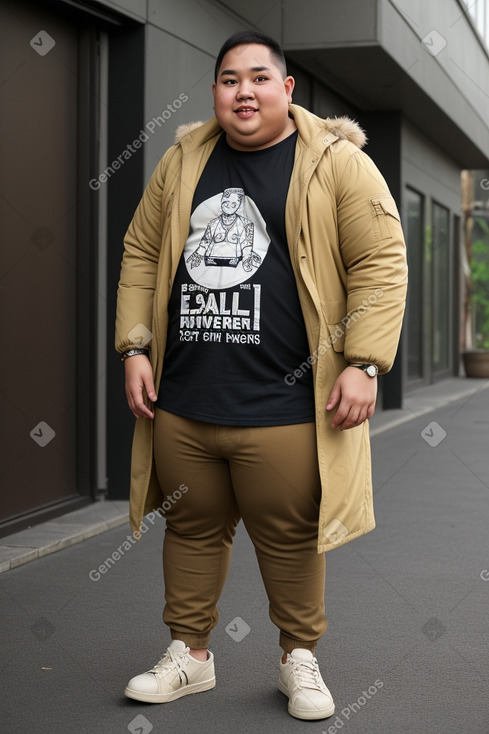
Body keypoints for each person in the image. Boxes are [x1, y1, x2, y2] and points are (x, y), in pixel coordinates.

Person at [115, 29, 407, 721]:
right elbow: (140, 250)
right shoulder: (183, 159)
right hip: (185, 396)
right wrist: (133, 347)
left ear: (285, 89)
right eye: (226, 79)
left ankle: (297, 660)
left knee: (290, 534)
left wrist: (364, 362)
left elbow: (381, 261)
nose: (241, 91)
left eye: (256, 77)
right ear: (214, 91)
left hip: (287, 401)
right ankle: (189, 655)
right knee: (189, 527)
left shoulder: (335, 162)